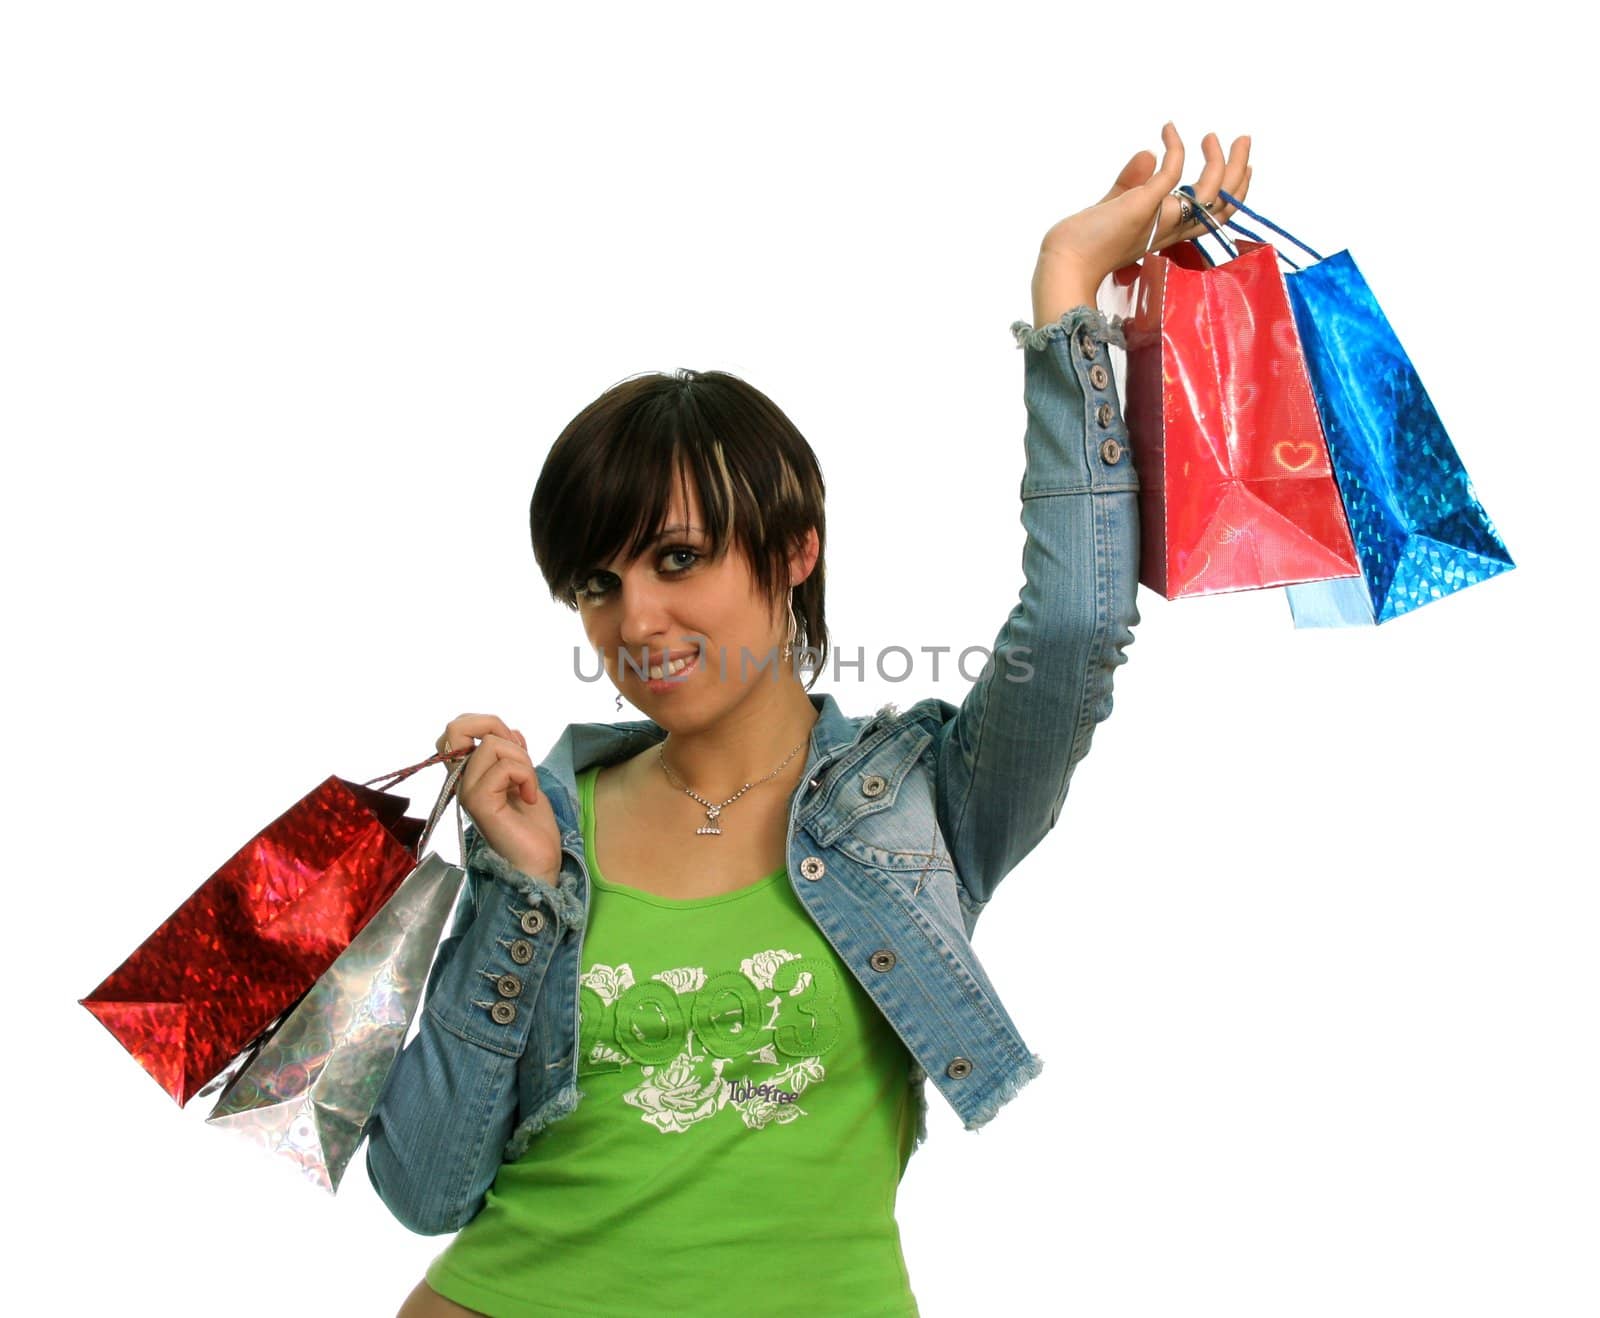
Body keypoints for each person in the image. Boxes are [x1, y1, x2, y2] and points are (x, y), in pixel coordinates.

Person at [372, 123, 1254, 1318]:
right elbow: (426, 1187)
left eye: (677, 557)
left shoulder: (926, 800)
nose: (637, 618)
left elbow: (1073, 627)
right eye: (596, 585)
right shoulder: (546, 829)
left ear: (795, 549)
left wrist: (1064, 299)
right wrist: (521, 887)